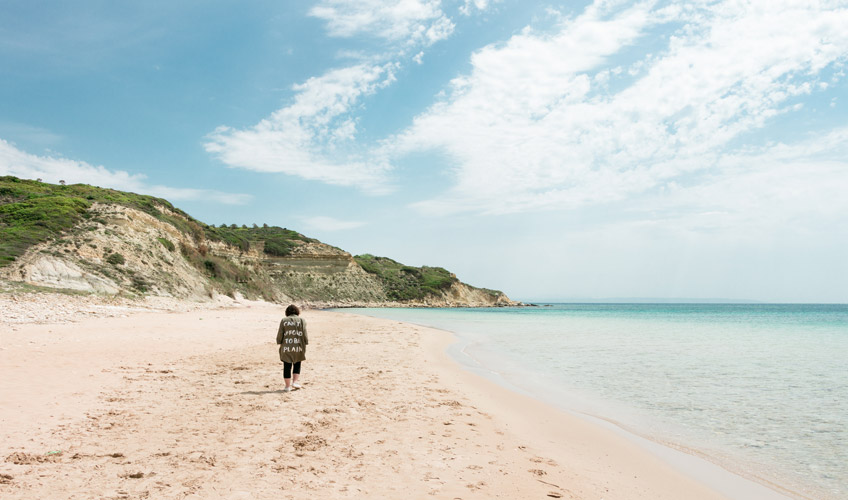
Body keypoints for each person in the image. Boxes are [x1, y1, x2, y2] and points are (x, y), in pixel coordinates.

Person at [276, 304, 308, 392]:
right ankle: (295, 382)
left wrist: (279, 341)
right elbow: (304, 333)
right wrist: (306, 341)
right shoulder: (302, 320)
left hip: (286, 345)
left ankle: (287, 386)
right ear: (297, 312)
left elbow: (280, 333)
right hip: (298, 345)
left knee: (287, 365)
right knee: (297, 363)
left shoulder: (284, 320)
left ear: (287, 312)